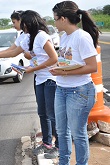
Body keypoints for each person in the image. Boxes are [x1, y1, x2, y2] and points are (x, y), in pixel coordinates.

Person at [0, 10, 59, 158]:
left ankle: (58, 146)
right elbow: (13, 52)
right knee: (42, 112)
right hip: (39, 78)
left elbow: (54, 58)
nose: (20, 25)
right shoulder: (28, 37)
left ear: (28, 23)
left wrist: (33, 68)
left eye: (21, 23)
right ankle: (47, 143)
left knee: (52, 114)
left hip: (50, 79)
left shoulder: (41, 36)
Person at [49, 1, 100, 164]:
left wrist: (63, 71)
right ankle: (64, 162)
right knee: (62, 131)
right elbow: (67, 61)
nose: (54, 23)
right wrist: (58, 67)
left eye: (55, 19)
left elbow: (92, 67)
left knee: (78, 133)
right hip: (61, 88)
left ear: (63, 19)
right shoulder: (64, 37)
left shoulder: (82, 37)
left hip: (79, 91)